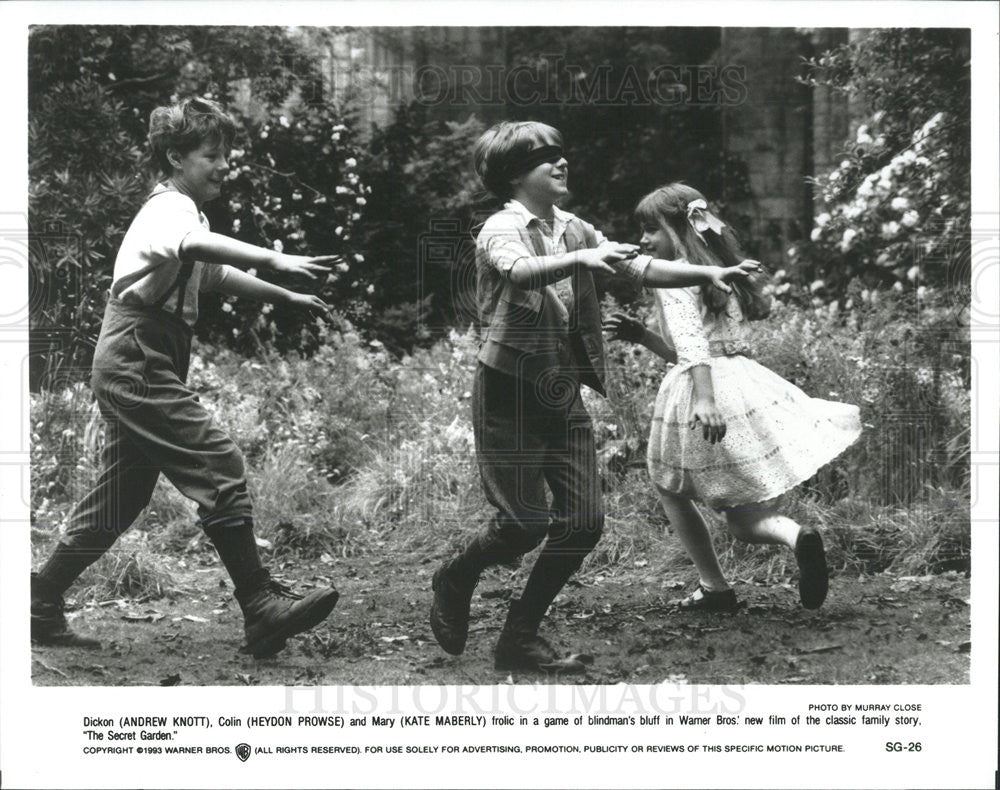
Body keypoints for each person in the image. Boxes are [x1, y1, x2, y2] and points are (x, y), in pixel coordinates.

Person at [429, 122, 761, 672]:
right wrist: (581, 260)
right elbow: (520, 270)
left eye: (562, 154)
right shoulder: (500, 227)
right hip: (507, 388)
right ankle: (456, 575)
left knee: (583, 523)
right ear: (513, 175)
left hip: (560, 387)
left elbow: (640, 266)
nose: (561, 164)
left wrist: (710, 267)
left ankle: (520, 636)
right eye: (545, 159)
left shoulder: (575, 228)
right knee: (523, 524)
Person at [31, 97, 340, 658]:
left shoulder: (186, 214)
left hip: (147, 355)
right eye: (211, 154)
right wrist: (275, 258)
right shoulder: (166, 209)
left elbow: (213, 271)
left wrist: (287, 294)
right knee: (218, 460)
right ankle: (261, 607)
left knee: (120, 498)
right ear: (176, 156)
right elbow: (196, 249)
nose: (223, 164)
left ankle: (37, 601)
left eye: (225, 154)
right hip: (137, 355)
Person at [605, 183, 862, 612]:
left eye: (652, 229)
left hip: (704, 389)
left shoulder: (675, 281)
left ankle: (716, 587)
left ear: (679, 230)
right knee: (743, 516)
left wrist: (705, 401)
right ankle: (796, 537)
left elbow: (691, 350)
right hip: (741, 382)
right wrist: (643, 335)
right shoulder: (722, 274)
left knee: (670, 486)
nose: (644, 240)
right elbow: (697, 346)